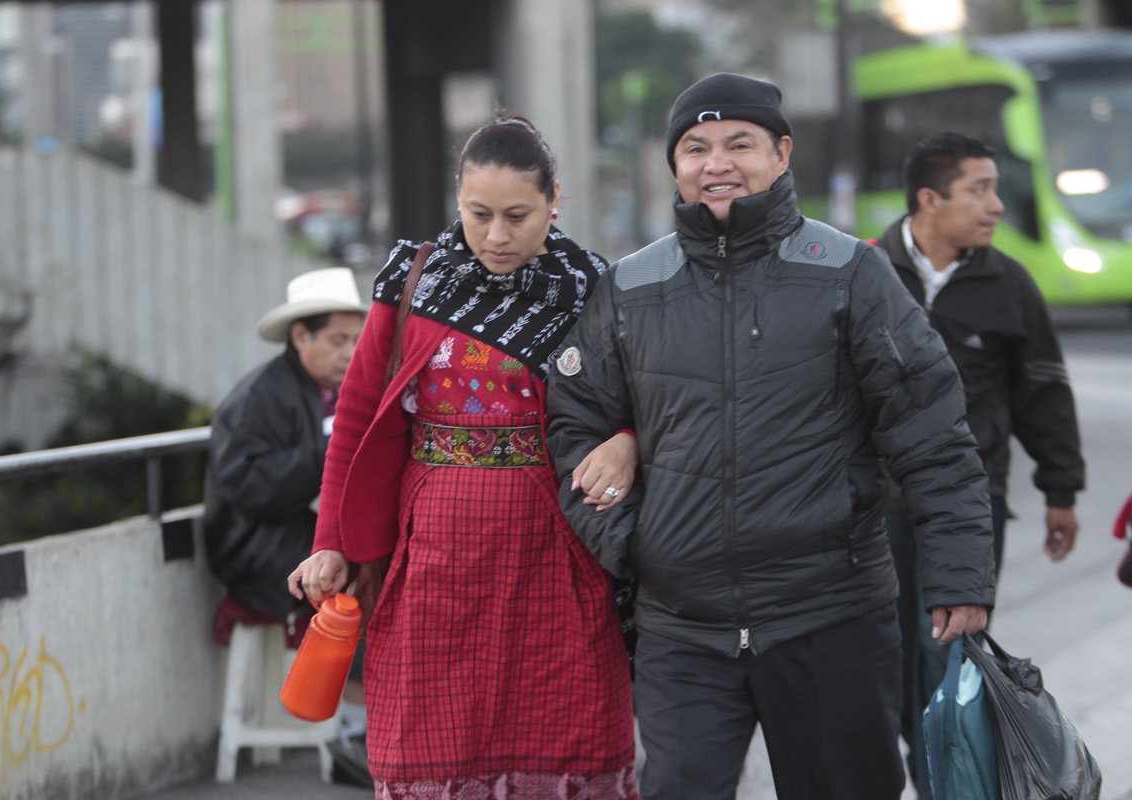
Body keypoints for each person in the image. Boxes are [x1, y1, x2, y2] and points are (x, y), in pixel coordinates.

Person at [545, 73, 996, 800]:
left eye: (739, 144)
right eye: (695, 147)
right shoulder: (629, 287)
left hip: (830, 617)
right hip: (682, 630)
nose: (715, 162)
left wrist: (960, 576)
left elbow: (933, 430)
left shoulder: (851, 272)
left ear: (782, 154)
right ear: (675, 165)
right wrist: (633, 542)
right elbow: (574, 421)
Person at [287, 116, 639, 799]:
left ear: (554, 199)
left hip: (555, 544)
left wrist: (626, 444)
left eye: (518, 215)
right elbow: (357, 414)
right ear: (458, 201)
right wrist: (330, 541)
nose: (497, 236)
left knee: (569, 726)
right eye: (479, 215)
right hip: (434, 553)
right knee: (429, 736)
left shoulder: (593, 287)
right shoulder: (415, 279)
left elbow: (640, 405)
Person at [873, 131, 1086, 799]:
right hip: (873, 508)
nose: (996, 206)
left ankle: (946, 782)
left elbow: (1043, 390)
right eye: (980, 190)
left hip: (970, 504)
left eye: (996, 188)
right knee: (885, 657)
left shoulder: (1008, 283)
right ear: (930, 199)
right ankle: (919, 767)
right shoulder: (868, 272)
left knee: (949, 654)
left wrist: (1061, 489)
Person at [204, 267, 365, 641]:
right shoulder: (259, 396)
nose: (351, 353)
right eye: (338, 340)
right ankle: (346, 695)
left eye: (357, 339)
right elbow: (246, 490)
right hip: (249, 547)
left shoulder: (324, 388)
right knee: (358, 566)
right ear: (299, 337)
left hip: (294, 527)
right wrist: (330, 453)